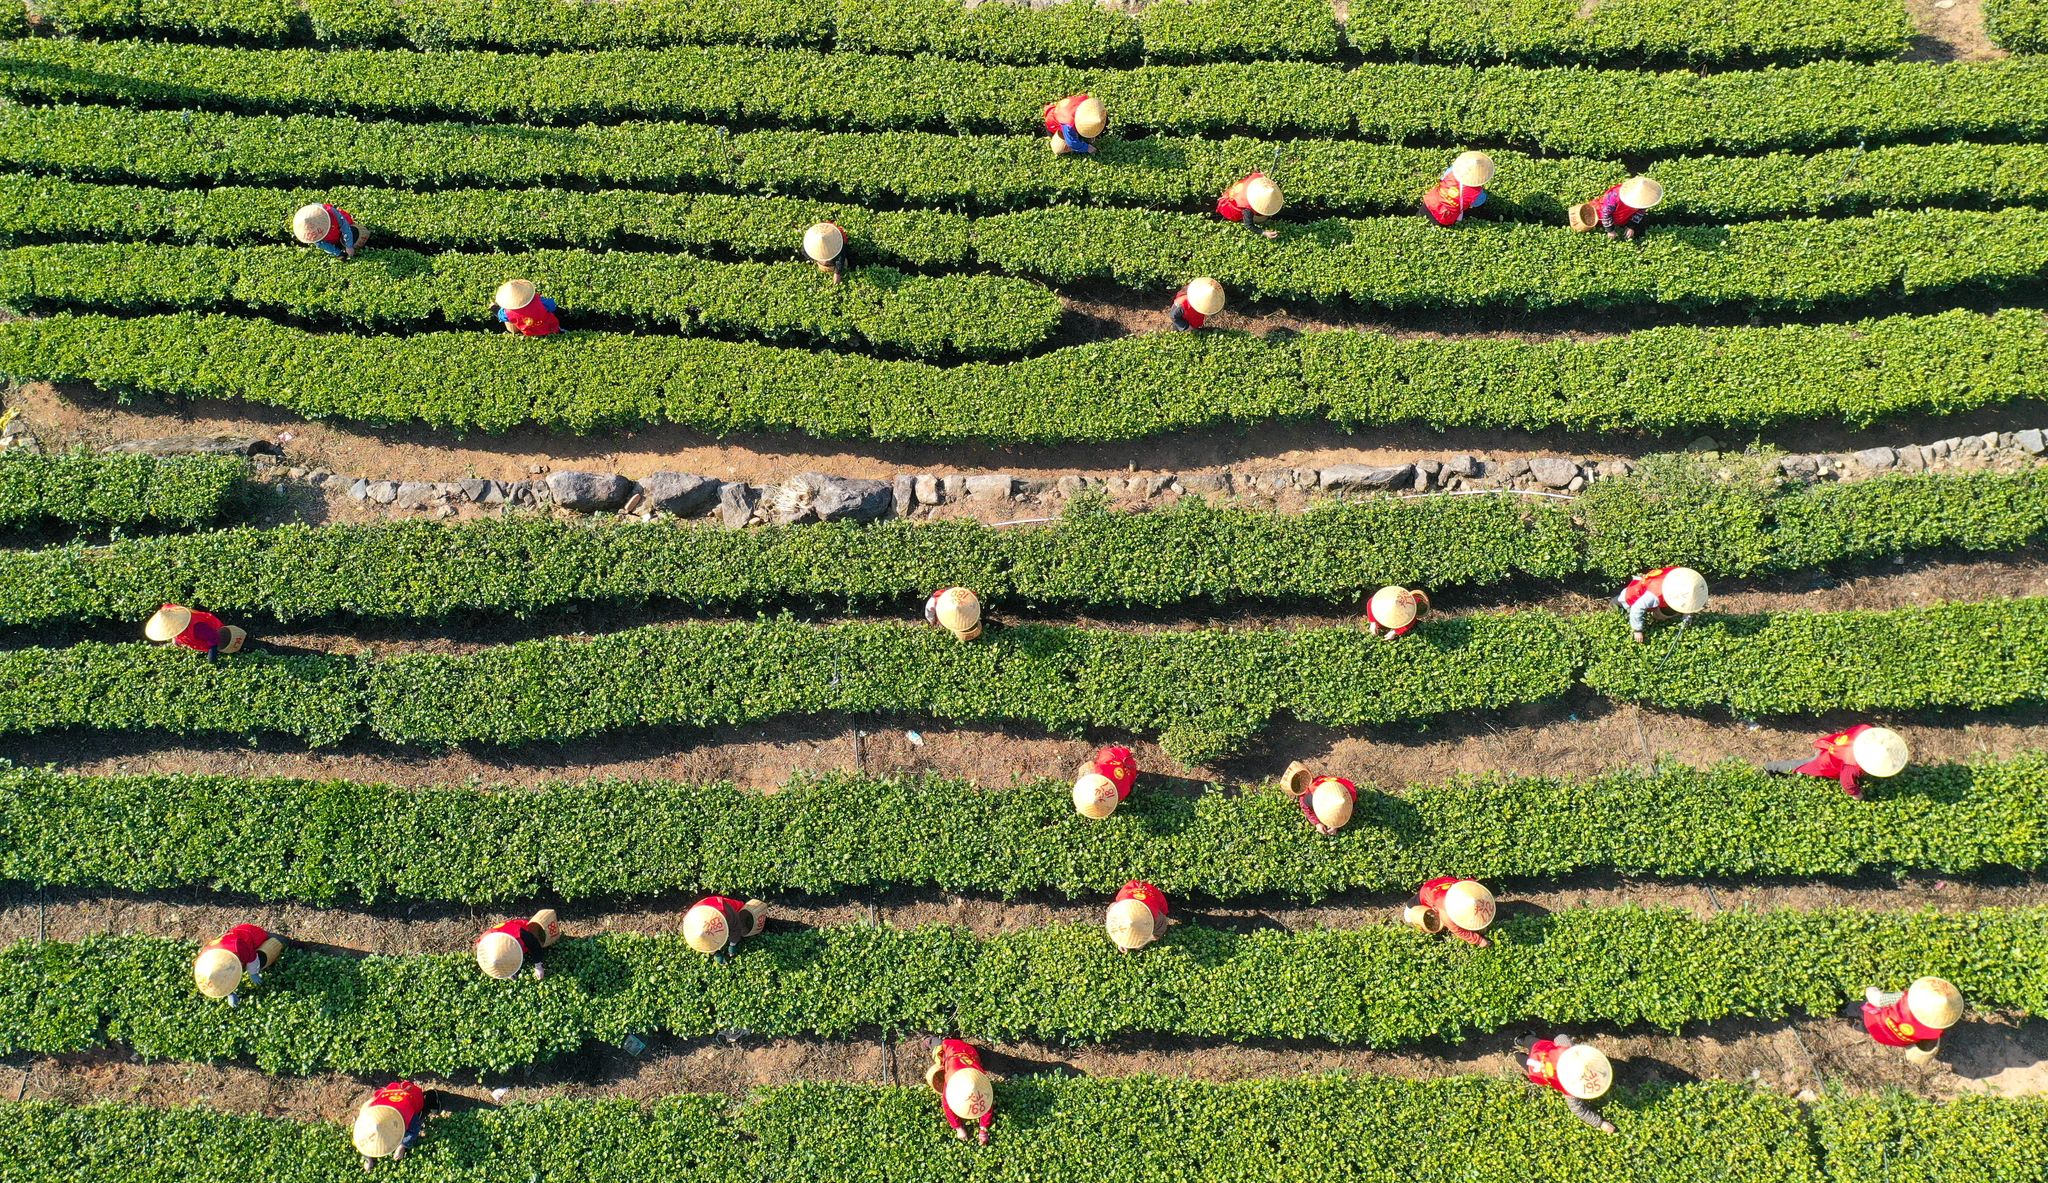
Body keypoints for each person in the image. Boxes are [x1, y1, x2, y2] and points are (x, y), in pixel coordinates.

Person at [1764, 725, 1908, 801]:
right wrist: (1858, 795)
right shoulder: (1852, 766)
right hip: (1826, 760)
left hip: (1837, 744)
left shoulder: (1866, 730)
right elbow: (1847, 783)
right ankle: (1771, 768)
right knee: (1803, 766)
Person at [1519, 1036, 1616, 1133]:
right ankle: (1516, 1055)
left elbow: (1560, 1037)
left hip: (1540, 1049)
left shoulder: (1566, 1049)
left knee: (1529, 1041)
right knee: (1522, 1060)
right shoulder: (1571, 1090)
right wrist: (1600, 1123)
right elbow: (1578, 1110)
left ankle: (1520, 1040)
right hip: (1536, 1071)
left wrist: (1572, 1048)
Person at [1860, 977, 1962, 1065]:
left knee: (1874, 1008)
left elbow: (1877, 999)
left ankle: (1863, 1026)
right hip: (1898, 1041)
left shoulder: (1901, 999)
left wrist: (1871, 989)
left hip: (1874, 1024)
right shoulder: (1937, 1028)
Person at [192, 923, 285, 1007]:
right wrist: (229, 993)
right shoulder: (204, 961)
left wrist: (253, 973)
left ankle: (277, 940)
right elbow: (218, 979)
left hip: (253, 935)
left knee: (260, 962)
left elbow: (252, 958)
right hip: (235, 941)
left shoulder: (238, 946)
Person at [925, 1037, 995, 1144]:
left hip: (969, 1051)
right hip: (950, 1048)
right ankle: (929, 1040)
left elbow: (987, 1103)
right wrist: (958, 1128)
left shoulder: (980, 1078)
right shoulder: (950, 1080)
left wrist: (983, 1129)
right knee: (937, 1046)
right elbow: (947, 1105)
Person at [1614, 566, 1707, 643]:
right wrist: (1637, 630)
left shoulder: (1679, 574)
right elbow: (1637, 608)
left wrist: (1687, 615)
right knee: (1617, 603)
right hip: (1632, 595)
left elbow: (1689, 600)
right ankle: (1612, 606)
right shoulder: (1654, 595)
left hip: (1649, 585)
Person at [353, 1081, 429, 1170]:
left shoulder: (407, 1114)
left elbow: (414, 1130)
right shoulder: (370, 1110)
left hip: (411, 1095)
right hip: (389, 1092)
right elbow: (361, 1139)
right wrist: (367, 1157)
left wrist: (402, 1146)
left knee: (416, 1117)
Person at [476, 909, 561, 981]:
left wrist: (538, 965)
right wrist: (509, 972)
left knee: (531, 940)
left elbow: (533, 943)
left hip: (521, 929)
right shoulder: (483, 944)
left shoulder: (519, 934)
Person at [1570, 177, 1663, 241]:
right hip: (1601, 215)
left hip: (1623, 217)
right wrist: (1610, 230)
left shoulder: (1645, 199)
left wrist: (1631, 226)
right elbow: (1606, 213)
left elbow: (1640, 213)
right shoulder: (1614, 196)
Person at [1409, 877, 1495, 947]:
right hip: (1428, 890)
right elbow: (1459, 931)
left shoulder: (1470, 887)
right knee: (1409, 915)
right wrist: (1479, 941)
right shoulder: (1446, 915)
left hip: (1445, 882)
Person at [683, 895, 768, 962]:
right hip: (717, 918)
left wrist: (733, 944)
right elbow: (704, 943)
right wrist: (715, 952)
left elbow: (736, 927)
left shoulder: (725, 910)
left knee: (741, 922)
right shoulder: (692, 920)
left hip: (736, 910)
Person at [1281, 761, 1355, 835]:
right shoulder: (1307, 799)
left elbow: (1343, 810)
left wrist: (1334, 824)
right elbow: (1307, 810)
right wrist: (1317, 823)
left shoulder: (1350, 793)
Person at [1421, 152, 1494, 228]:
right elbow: (1477, 203)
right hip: (1444, 215)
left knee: (1420, 219)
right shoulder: (1478, 194)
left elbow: (1443, 178)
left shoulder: (1451, 171)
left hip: (1430, 201)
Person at [144, 603, 246, 657]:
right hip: (201, 635)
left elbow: (214, 638)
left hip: (216, 633)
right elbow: (166, 606)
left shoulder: (198, 628)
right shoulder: (168, 610)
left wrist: (212, 656)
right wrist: (176, 639)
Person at [1072, 744, 1139, 819]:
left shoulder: (1120, 793)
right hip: (1122, 762)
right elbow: (1089, 765)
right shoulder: (1098, 769)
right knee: (1106, 757)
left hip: (1122, 765)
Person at [1105, 880, 1168, 952]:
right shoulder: (1115, 908)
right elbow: (1112, 922)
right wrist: (1120, 941)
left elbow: (1161, 928)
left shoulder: (1156, 915)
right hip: (1131, 887)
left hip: (1153, 893)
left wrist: (1146, 940)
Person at [1217, 173, 1283, 239]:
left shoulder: (1256, 178)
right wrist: (1264, 232)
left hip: (1234, 193)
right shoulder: (1247, 209)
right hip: (1229, 207)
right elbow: (1249, 225)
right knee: (1260, 219)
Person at [293, 202, 364, 260]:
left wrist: (349, 245)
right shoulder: (311, 234)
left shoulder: (331, 212)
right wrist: (339, 253)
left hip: (342, 229)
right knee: (337, 251)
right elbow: (321, 244)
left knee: (355, 235)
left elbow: (345, 226)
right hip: (331, 239)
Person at [492, 279, 560, 337]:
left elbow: (500, 316)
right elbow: (552, 306)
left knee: (509, 323)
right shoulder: (540, 301)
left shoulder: (506, 312)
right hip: (550, 328)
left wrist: (493, 307)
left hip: (530, 333)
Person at [1365, 586, 1430, 640]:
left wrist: (1394, 632)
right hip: (1384, 615)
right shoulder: (1389, 600)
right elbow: (1371, 602)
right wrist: (1373, 623)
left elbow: (1371, 602)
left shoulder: (1408, 601)